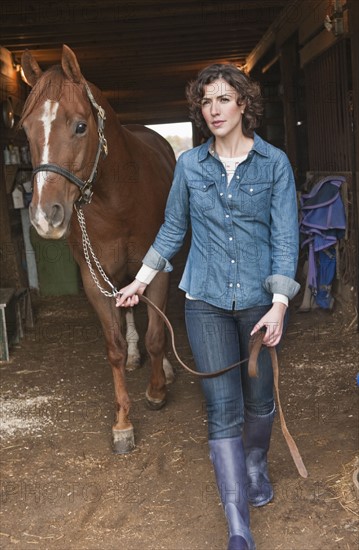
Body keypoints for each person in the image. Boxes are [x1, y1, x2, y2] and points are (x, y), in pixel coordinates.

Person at [116, 64, 300, 550]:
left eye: (223, 99)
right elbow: (173, 228)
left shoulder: (274, 164)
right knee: (222, 411)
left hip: (261, 303)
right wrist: (139, 281)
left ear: (244, 104)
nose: (214, 109)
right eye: (206, 101)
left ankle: (256, 463)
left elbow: (285, 237)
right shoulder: (190, 166)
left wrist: (280, 303)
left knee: (259, 402)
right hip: (205, 302)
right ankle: (238, 527)